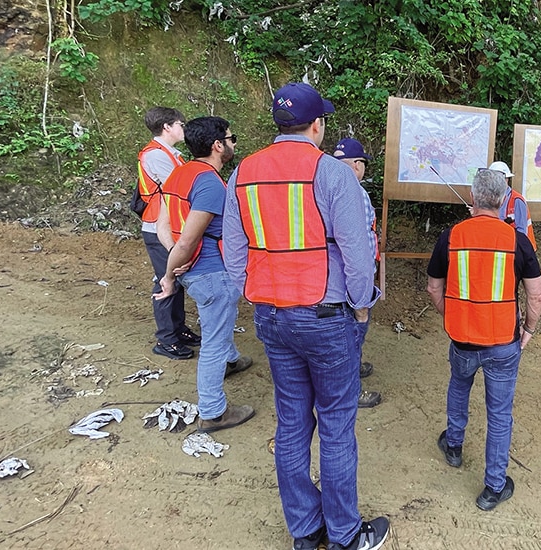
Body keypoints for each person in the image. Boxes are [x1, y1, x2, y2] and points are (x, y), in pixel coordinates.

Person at [222, 82, 389, 550]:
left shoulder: (244, 173)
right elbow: (358, 254)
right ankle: (343, 535)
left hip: (273, 316)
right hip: (327, 317)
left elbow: (234, 248)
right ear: (317, 125)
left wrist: (253, 294)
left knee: (292, 424)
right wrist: (361, 306)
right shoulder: (333, 175)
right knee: (336, 424)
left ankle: (304, 529)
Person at [425, 168, 541, 511]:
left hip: (462, 340)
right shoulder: (517, 240)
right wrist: (529, 331)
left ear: (473, 196)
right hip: (503, 344)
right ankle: (493, 486)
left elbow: (434, 286)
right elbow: (535, 296)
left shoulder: (452, 236)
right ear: (504, 198)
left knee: (459, 388)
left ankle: (454, 446)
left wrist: (449, 315)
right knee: (500, 413)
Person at [153, 116, 255, 433]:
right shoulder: (210, 183)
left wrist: (175, 262)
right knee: (212, 340)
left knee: (218, 322)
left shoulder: (179, 174)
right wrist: (169, 276)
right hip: (210, 272)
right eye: (231, 137)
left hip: (192, 269)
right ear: (217, 145)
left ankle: (231, 360)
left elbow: (162, 227)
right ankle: (213, 412)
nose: (234, 143)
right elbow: (188, 239)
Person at [137, 106, 199, 360]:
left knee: (174, 279)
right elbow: (180, 185)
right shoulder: (155, 156)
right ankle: (166, 338)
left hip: (169, 226)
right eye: (180, 124)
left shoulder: (171, 153)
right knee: (165, 280)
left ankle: (178, 329)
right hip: (157, 228)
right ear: (167, 127)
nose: (183, 128)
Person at [332, 137, 381, 408]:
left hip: (337, 275)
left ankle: (352, 368)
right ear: (356, 165)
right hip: (354, 275)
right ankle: (351, 388)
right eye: (362, 162)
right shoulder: (356, 192)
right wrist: (362, 294)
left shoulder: (326, 186)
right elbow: (358, 241)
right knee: (355, 327)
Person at [488, 161, 537, 249]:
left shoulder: (517, 200)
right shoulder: (493, 198)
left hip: (522, 249)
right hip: (504, 246)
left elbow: (522, 232)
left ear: (506, 179)